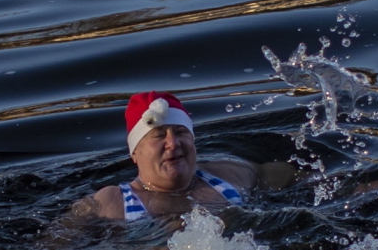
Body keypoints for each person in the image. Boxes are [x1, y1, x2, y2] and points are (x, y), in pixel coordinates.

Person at [69, 91, 296, 222]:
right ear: (134, 153)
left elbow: (306, 179)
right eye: (158, 136)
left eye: (180, 132)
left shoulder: (231, 174)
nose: (173, 143)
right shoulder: (110, 203)